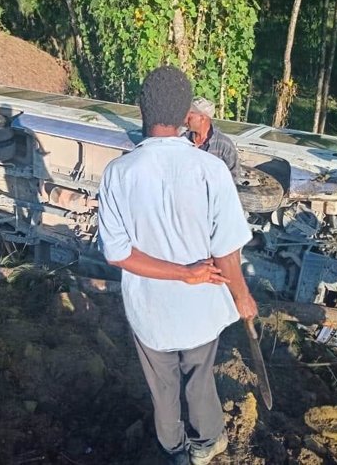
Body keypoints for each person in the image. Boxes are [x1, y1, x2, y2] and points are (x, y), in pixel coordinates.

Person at [98, 66, 257, 465]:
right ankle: (206, 445)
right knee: (198, 381)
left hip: (149, 314)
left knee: (163, 389)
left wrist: (179, 272)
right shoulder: (210, 170)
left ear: (141, 110)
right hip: (201, 308)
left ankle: (174, 452)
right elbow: (226, 252)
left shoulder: (118, 173)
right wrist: (242, 296)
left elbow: (117, 253)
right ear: (186, 112)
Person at [186, 97, 240, 182]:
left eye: (190, 114)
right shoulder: (182, 140)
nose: (186, 118)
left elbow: (234, 177)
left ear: (202, 118)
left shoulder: (224, 145)